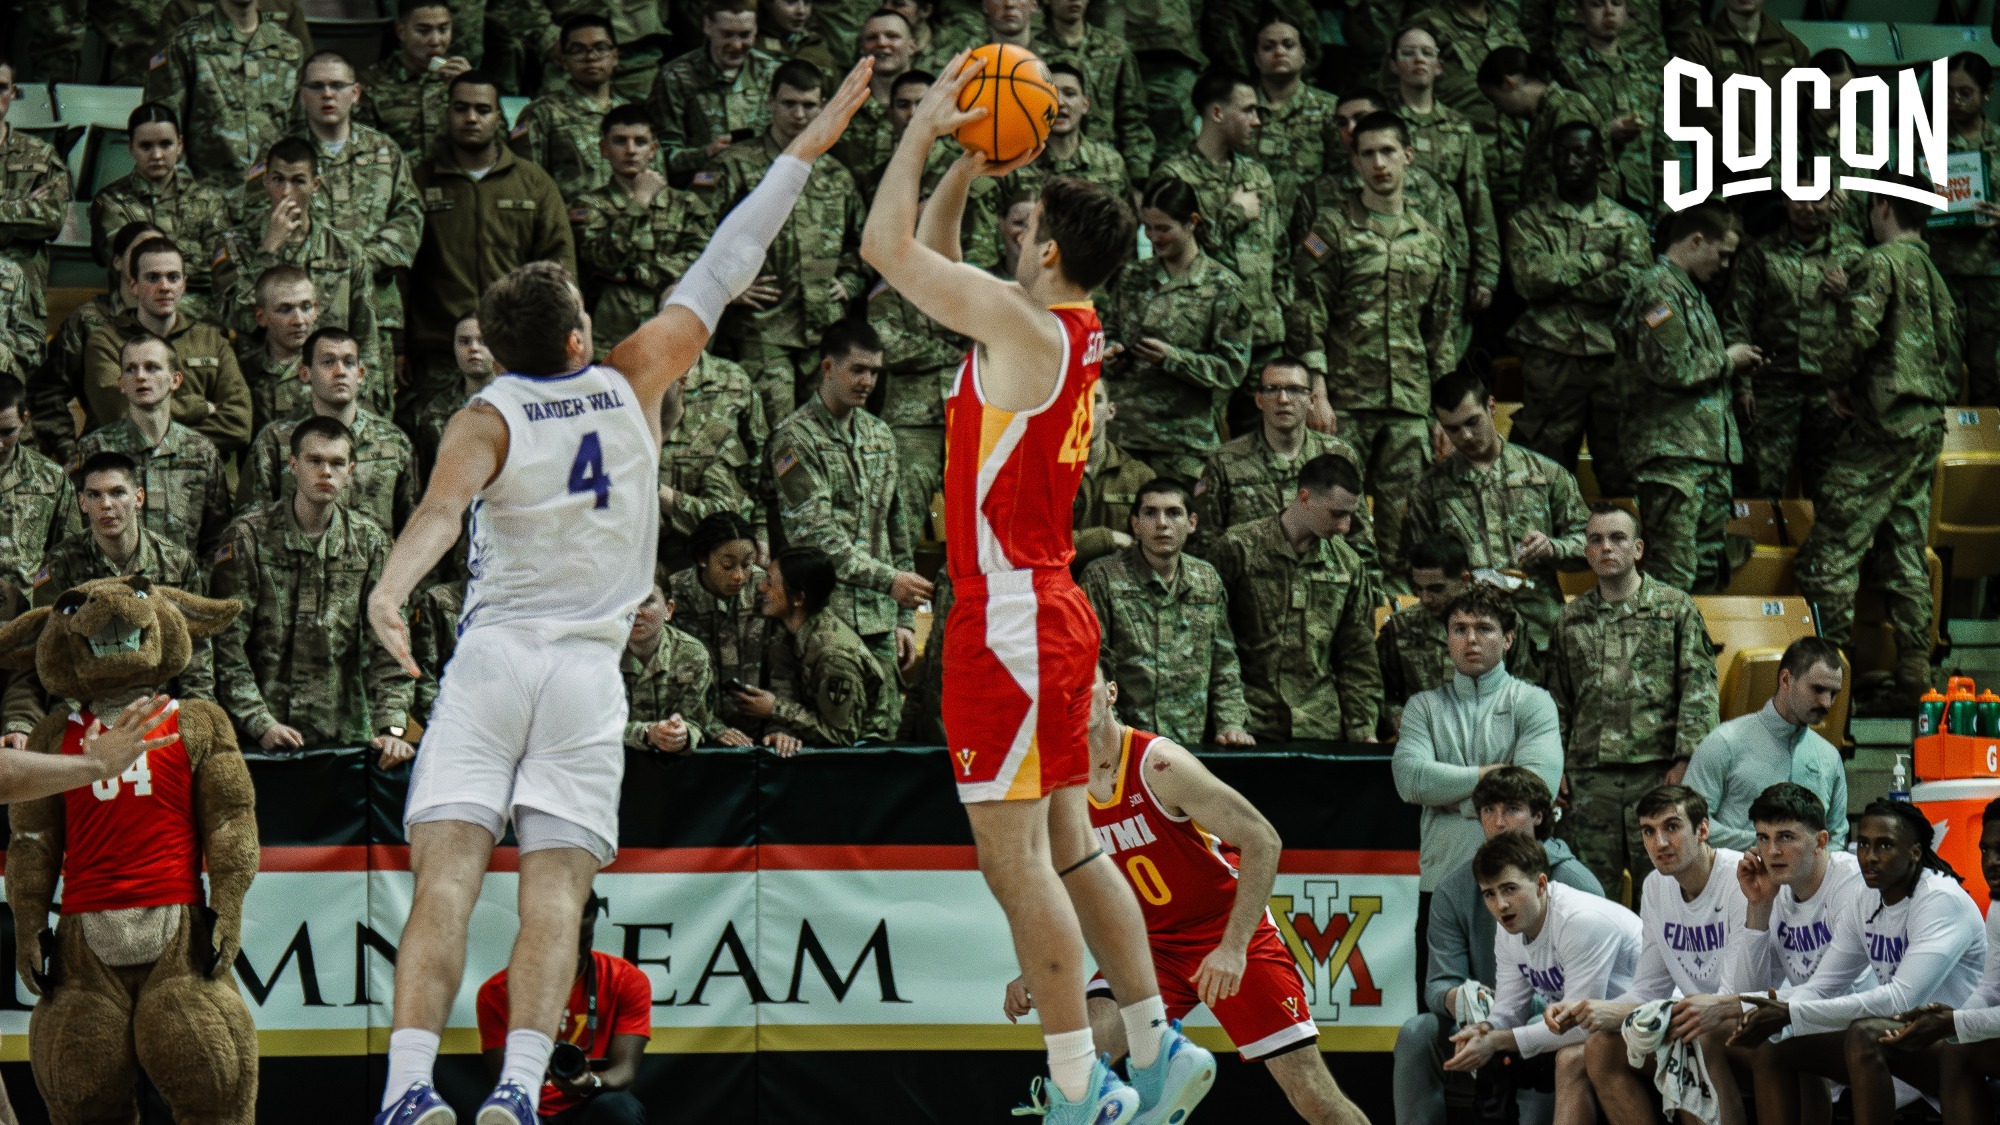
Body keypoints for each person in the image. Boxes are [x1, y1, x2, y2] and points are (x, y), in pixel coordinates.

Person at [366, 59, 873, 1124]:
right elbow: (728, 259)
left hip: (493, 660)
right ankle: (517, 1090)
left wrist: (389, 592)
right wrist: (801, 150)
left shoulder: (485, 415)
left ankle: (409, 1089)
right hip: (589, 676)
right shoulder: (633, 373)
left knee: (446, 880)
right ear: (577, 339)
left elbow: (437, 517)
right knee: (555, 892)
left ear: (501, 352)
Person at [862, 50, 1209, 1123]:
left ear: (1048, 250)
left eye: (1028, 226)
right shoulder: (1063, 323)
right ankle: (1154, 1045)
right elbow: (938, 257)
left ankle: (1077, 1084)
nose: (1014, 234)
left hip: (1008, 615)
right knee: (1073, 842)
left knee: (1015, 865)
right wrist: (972, 162)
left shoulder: (1022, 326)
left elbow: (885, 250)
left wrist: (925, 124)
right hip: (1048, 605)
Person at [1005, 667, 1368, 1124]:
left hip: (1222, 931)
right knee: (1079, 1072)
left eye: (1085, 682)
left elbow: (1262, 840)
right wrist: (1034, 967)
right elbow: (1073, 887)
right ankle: (1156, 1090)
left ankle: (1164, 1077)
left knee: (1313, 1096)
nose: (1074, 694)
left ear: (1111, 692)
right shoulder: (1062, 786)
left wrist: (1233, 947)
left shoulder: (1159, 764)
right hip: (1147, 945)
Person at [1796, 180, 1958, 704]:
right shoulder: (1933, 272)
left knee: (1829, 553)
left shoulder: (1880, 262)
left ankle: (1829, 690)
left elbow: (1857, 335)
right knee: (1904, 547)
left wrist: (1834, 381)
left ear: (1882, 206)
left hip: (1882, 428)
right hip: (1924, 424)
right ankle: (1915, 676)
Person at [1734, 801, 1988, 1125]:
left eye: (1885, 845)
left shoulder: (1940, 899)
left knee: (1863, 1034)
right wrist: (1772, 1014)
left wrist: (1793, 1012)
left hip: (1959, 1047)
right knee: (1775, 1043)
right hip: (1900, 1041)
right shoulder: (1866, 897)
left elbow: (1900, 999)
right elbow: (1823, 987)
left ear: (1914, 852)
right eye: (1864, 844)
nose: (1870, 856)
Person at [1286, 110, 1457, 583]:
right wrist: (1317, 389)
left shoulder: (1430, 239)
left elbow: (1441, 330)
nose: (1379, 163)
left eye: (1388, 152)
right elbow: (1308, 309)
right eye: (1368, 154)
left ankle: (1397, 606)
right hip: (1345, 397)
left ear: (1408, 156)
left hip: (1409, 399)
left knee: (1404, 522)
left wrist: (1442, 411)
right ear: (1355, 162)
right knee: (1339, 516)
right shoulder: (1330, 229)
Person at [1394, 766, 1602, 1125]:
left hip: (1559, 1019)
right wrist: (1466, 1001)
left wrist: (1511, 1016)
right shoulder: (1453, 888)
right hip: (1481, 1020)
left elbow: (1591, 994)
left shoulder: (1576, 882)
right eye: (1488, 810)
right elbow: (1438, 983)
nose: (1499, 822)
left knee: (1540, 1023)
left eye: (1512, 809)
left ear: (1539, 816)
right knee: (1417, 1032)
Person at [211, 415, 412, 763]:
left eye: (337, 463)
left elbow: (390, 644)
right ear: (293, 465)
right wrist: (259, 722)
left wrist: (392, 730)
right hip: (262, 739)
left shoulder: (370, 543)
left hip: (346, 738)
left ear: (351, 471)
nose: (326, 472)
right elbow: (227, 643)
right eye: (314, 461)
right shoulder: (248, 537)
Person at [1549, 785, 1747, 1123]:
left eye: (1672, 827)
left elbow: (1734, 995)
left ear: (1702, 829)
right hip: (1692, 1019)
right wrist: (1586, 1008)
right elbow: (1648, 990)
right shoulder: (1655, 885)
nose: (1660, 842)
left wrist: (1625, 1013)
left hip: (1746, 1016)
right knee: (1599, 1047)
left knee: (1691, 1036)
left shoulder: (1738, 877)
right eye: (1648, 831)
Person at [1547, 504, 1719, 893]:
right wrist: (1554, 763)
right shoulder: (1570, 619)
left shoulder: (1675, 609)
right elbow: (1557, 700)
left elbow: (1698, 687)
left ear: (1638, 548)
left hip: (1657, 773)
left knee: (1666, 889)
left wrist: (1686, 759)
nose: (1606, 547)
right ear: (1586, 552)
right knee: (1590, 896)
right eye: (1596, 540)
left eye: (1617, 538)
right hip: (1589, 781)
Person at [767, 318, 925, 733]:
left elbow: (897, 531)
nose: (867, 381)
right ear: (827, 367)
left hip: (880, 621)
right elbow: (815, 537)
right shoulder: (795, 439)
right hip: (825, 619)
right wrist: (890, 581)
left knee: (883, 739)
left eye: (874, 371)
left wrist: (904, 618)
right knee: (830, 740)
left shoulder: (880, 435)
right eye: (857, 369)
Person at [0, 452, 213, 743]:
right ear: (82, 503)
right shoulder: (62, 564)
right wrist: (48, 723)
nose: (107, 504)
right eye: (95, 495)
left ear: (139, 497)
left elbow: (196, 652)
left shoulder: (175, 563)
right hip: (87, 714)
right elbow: (51, 653)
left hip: (160, 709)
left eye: (117, 492)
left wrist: (197, 717)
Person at [406, 71, 578, 424]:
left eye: (482, 110)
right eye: (461, 108)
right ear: (447, 113)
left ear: (499, 117)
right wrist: (399, 344)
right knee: (438, 438)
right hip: (438, 350)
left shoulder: (532, 181)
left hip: (517, 347)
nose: (471, 118)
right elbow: (403, 270)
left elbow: (558, 267)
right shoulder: (420, 179)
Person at [1443, 831, 1643, 1123]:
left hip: (1652, 1016)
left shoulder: (1580, 921)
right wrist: (1484, 1029)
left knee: (1571, 1058)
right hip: (1605, 1027)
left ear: (1540, 884)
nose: (1501, 904)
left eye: (1510, 889)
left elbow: (1579, 1027)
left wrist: (1496, 1040)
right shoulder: (1510, 926)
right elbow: (1509, 1009)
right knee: (1506, 1058)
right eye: (1490, 894)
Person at [1403, 370, 1590, 680]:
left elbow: (1591, 545)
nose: (1465, 436)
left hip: (1538, 636)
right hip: (1468, 644)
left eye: (1472, 422)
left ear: (1491, 406)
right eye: (1453, 429)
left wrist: (1553, 548)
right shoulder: (1429, 491)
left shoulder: (1545, 474)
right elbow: (1416, 568)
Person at [714, 60, 869, 424]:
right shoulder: (736, 165)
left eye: (809, 105)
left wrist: (849, 282)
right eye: (789, 104)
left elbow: (862, 243)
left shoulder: (835, 175)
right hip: (763, 328)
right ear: (770, 101)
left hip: (824, 327)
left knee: (825, 431)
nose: (799, 114)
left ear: (823, 105)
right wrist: (728, 287)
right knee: (772, 428)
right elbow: (702, 236)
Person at [1615, 202, 1757, 594]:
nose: (1725, 266)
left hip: (1704, 453)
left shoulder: (1688, 292)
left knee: (1709, 568)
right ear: (1696, 240)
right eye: (1721, 254)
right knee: (1673, 572)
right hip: (1672, 457)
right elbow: (1673, 367)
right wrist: (1729, 360)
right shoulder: (1657, 290)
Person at [1503, 121, 1651, 497]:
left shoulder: (1626, 223)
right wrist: (1598, 262)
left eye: (1580, 153)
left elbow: (1635, 284)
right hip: (1550, 356)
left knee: (1622, 467)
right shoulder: (1528, 221)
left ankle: (1624, 535)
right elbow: (1529, 279)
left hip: (1612, 357)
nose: (1569, 162)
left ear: (1600, 159)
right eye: (1562, 153)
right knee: (1542, 470)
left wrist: (1564, 284)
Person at [1394, 588, 1563, 893]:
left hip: (1515, 881)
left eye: (1484, 628)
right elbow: (1410, 781)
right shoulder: (1422, 707)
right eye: (1460, 629)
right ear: (1448, 639)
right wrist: (1492, 775)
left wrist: (1448, 798)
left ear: (1508, 639)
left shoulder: (1534, 702)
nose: (1471, 639)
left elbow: (1538, 789)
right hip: (1442, 879)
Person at [1714, 783, 1864, 1125]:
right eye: (1763, 838)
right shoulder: (1774, 886)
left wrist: (1726, 1005)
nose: (1772, 851)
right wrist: (1759, 906)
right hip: (1812, 1024)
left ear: (1821, 841)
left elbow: (1835, 991)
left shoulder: (1851, 884)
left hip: (1862, 1025)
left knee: (1776, 1039)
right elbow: (1748, 991)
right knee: (1708, 1035)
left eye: (1785, 837)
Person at [1209, 453, 1380, 745]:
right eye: (1337, 514)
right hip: (1249, 723)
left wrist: (1363, 730)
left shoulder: (1348, 565)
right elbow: (1217, 642)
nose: (1345, 527)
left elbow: (1357, 655)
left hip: (1319, 725)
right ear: (1304, 497)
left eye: (1350, 515)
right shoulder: (1238, 549)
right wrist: (1230, 720)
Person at [213, 137, 387, 408]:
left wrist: (365, 402)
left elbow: (366, 339)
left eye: (298, 181)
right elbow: (235, 319)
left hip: (330, 395)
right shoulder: (236, 245)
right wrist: (267, 251)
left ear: (315, 184)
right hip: (262, 395)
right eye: (278, 180)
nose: (286, 192)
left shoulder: (345, 251)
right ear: (266, 182)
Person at [1099, 177, 1251, 484]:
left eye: (1163, 228)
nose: (1154, 237)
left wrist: (1174, 359)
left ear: (1192, 222)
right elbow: (1110, 329)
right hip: (1123, 438)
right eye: (1148, 228)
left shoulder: (1223, 287)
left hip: (1183, 444)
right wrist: (1110, 353)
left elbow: (1231, 370)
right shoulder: (1132, 276)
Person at [1080, 477, 1252, 749]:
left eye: (1173, 513)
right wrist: (1116, 736)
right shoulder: (1102, 578)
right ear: (1135, 524)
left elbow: (1224, 661)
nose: (1162, 523)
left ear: (1192, 523)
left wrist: (1230, 724)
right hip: (1124, 741)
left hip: (1190, 741)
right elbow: (1092, 665)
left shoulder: (1206, 579)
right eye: (1150, 513)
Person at [1866, 797, 2000, 1125]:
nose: (1991, 862)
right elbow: (1990, 989)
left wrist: (1955, 1022)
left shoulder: (1941, 898)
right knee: (1955, 1047)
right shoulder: (1998, 907)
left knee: (1957, 1041)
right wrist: (1953, 1020)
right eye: (1985, 850)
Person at [1717, 192, 1858, 502]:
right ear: (1786, 201)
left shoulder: (1853, 254)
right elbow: (1738, 320)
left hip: (1830, 392)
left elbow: (1870, 322)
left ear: (1831, 201)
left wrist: (1848, 295)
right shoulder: (1760, 254)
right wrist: (1742, 385)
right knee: (1759, 486)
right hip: (1773, 389)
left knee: (1832, 492)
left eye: (1817, 199)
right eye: (1799, 199)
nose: (1808, 208)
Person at [295, 50, 425, 383]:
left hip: (374, 307)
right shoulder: (285, 155)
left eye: (337, 86)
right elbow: (259, 220)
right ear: (302, 94)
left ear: (355, 93)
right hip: (303, 311)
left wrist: (366, 259)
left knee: (371, 399)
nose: (327, 94)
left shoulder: (384, 151)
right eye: (317, 86)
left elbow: (409, 214)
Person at [475, 893, 652, 1125]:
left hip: (590, 1102)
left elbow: (624, 1072)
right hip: (531, 1104)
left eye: (584, 942)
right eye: (562, 944)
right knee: (503, 1114)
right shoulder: (496, 992)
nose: (573, 954)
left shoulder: (626, 979)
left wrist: (592, 1081)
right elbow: (506, 1078)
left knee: (617, 1107)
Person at [1152, 69, 1286, 367]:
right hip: (1205, 339)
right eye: (1248, 110)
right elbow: (1176, 255)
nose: (1257, 120)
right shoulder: (1174, 176)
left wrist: (1281, 305)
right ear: (1217, 113)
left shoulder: (1257, 175)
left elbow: (1280, 250)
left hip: (1263, 333)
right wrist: (1234, 215)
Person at [81, 237, 254, 460]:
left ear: (184, 284)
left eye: (173, 277)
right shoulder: (107, 343)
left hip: (201, 473)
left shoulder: (212, 341)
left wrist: (161, 432)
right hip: (129, 471)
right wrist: (198, 407)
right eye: (153, 278)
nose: (164, 287)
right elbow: (121, 416)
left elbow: (239, 425)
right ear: (133, 285)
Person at [1192, 356, 1372, 569]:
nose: (1283, 399)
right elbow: (1205, 549)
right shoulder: (1224, 462)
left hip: (1326, 583)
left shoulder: (1339, 455)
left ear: (1312, 400)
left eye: (1295, 390)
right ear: (1259, 400)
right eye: (1272, 389)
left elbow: (1360, 540)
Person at [240, 327, 420, 533]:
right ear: (305, 373)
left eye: (349, 363)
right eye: (328, 362)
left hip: (375, 553)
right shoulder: (276, 439)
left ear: (360, 374)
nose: (340, 371)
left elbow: (414, 527)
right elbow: (251, 525)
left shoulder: (393, 442)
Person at [569, 106, 716, 358]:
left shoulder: (686, 204)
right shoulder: (588, 205)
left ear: (653, 149)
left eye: (640, 141)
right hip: (613, 333)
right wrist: (639, 201)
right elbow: (602, 260)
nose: (630, 150)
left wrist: (637, 273)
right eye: (620, 141)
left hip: (673, 326)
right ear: (604, 149)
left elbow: (702, 259)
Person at [73, 336, 234, 563]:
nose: (140, 376)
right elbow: (76, 532)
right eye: (130, 369)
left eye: (152, 367)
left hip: (182, 581)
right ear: (121, 383)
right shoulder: (96, 448)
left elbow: (217, 537)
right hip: (116, 580)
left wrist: (198, 580)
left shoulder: (200, 451)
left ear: (175, 380)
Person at [1685, 636, 1849, 852]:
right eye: (1817, 689)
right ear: (1786, 680)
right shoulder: (1725, 742)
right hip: (1736, 871)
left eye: (1833, 693)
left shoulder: (1829, 757)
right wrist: (1770, 844)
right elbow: (1691, 824)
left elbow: (1836, 838)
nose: (1826, 703)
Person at [1385, 25, 1499, 324]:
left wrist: (1486, 272)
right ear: (1393, 65)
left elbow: (1478, 200)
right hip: (1391, 253)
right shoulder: (1380, 122)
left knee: (1447, 343)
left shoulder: (1459, 127)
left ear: (1439, 66)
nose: (1418, 59)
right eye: (1408, 53)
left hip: (1450, 256)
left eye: (1427, 53)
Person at [34, 221, 165, 462]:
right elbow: (45, 395)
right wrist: (71, 454)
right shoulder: (88, 321)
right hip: (109, 463)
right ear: (117, 261)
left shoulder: (190, 323)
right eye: (142, 250)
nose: (152, 258)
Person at [733, 545, 887, 747]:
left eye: (770, 583)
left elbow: (841, 736)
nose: (761, 588)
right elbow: (787, 687)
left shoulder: (834, 657)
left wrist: (775, 709)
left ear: (798, 598)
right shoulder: (789, 630)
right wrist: (781, 730)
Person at [143, 0, 305, 187]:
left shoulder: (289, 49)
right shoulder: (185, 44)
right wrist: (184, 194)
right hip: (205, 194)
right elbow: (159, 132)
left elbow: (301, 132)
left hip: (271, 196)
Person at [87, 105, 229, 316]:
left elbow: (220, 267)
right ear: (131, 148)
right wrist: (192, 255)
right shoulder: (111, 202)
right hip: (136, 311)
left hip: (202, 312)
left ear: (180, 145)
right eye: (146, 146)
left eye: (166, 144)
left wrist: (155, 255)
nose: (156, 154)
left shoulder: (208, 199)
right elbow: (132, 267)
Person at [1402, 0, 1529, 214]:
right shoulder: (1426, 26)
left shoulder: (1506, 23)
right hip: (1461, 166)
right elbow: (1398, 94)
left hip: (1517, 161)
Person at [510, 16, 655, 203]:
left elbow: (655, 181)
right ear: (563, 60)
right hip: (569, 219)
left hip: (633, 217)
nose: (591, 57)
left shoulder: (636, 115)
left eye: (600, 48)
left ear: (615, 56)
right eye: (578, 50)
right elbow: (525, 185)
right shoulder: (541, 114)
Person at [669, 512, 778, 749]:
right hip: (695, 730)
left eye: (747, 564)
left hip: (761, 727)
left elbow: (784, 660)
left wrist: (779, 721)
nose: (739, 575)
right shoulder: (676, 594)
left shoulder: (765, 589)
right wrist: (709, 725)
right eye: (727, 566)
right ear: (703, 558)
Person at [647, 0, 780, 188]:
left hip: (765, 182)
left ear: (756, 29)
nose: (736, 45)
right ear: (707, 26)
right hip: (704, 182)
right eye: (727, 35)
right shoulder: (675, 77)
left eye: (745, 35)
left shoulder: (772, 73)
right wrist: (706, 153)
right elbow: (659, 156)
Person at [1559, 0, 1666, 219]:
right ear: (1579, 14)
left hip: (1641, 200)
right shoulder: (1565, 74)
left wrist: (1669, 206)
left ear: (1626, 13)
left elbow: (1664, 146)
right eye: (1597, 5)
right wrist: (1606, 132)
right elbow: (1557, 138)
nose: (1609, 12)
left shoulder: (1644, 76)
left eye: (1617, 4)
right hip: (1589, 203)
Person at [1935, 52, 2000, 410]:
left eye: (1965, 93)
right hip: (1943, 270)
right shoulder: (1926, 142)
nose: (1956, 101)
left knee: (1989, 373)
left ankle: (1988, 444)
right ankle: (1947, 442)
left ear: (1987, 92)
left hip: (1991, 273)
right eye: (1948, 93)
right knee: (1943, 370)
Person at [1032, 0, 1153, 185]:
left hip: (1104, 170)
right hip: (1045, 165)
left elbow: (1132, 119)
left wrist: (1138, 178)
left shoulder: (1115, 50)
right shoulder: (1032, 53)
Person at [1477, 46, 1610, 208]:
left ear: (1508, 83)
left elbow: (1577, 182)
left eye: (1494, 98)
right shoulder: (1545, 114)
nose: (1498, 108)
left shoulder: (1564, 111)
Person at [655, 369, 757, 578]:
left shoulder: (712, 436)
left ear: (682, 384)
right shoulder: (618, 427)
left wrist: (655, 490)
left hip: (691, 567)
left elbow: (723, 516)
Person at [0, 55, 73, 329]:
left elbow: (52, 218)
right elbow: (36, 217)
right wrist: (21, 207)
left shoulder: (40, 154)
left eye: (1, 88)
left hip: (20, 303)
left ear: (13, 92)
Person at [1000, 63, 1133, 205]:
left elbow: (1126, 216)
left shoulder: (1110, 162)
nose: (1059, 102)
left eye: (1069, 93)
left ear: (1085, 104)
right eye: (1050, 93)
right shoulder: (1016, 163)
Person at [1246, 14, 1337, 218]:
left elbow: (1342, 178)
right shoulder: (1240, 109)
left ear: (1303, 54)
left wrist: (1323, 233)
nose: (1279, 52)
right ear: (1256, 59)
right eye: (1268, 47)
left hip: (1311, 228)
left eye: (1288, 45)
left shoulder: (1329, 109)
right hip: (1249, 228)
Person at [1379, 534, 1472, 729]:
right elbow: (1377, 692)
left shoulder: (1500, 623)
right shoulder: (1400, 627)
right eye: (1418, 589)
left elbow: (1525, 689)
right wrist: (1397, 717)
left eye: (1435, 589)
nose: (1425, 598)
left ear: (1464, 579)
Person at [358, 0, 467, 161]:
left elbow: (495, 143)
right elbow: (360, 151)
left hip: (454, 174)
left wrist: (470, 89)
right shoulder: (371, 84)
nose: (436, 41)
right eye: (424, 31)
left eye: (443, 29)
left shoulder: (461, 77)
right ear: (401, 32)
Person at [0, 374, 77, 597]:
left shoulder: (50, 478)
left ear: (24, 418)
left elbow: (69, 553)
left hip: (29, 609)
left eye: (7, 432)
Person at [620, 585, 721, 753]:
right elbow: (593, 725)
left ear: (669, 609)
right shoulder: (602, 655)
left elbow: (701, 721)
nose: (636, 612)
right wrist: (646, 733)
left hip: (676, 762)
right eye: (627, 602)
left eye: (647, 601)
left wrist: (684, 733)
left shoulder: (691, 654)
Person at [1072, 378, 1155, 571]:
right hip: (1060, 582)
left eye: (1095, 400)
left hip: (1122, 581)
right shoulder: (1045, 475)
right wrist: (1107, 539)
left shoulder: (1139, 476)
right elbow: (1035, 542)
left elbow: (1155, 541)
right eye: (1077, 400)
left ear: (1111, 411)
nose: (1086, 408)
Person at [241, 265, 320, 435]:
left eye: (306, 307)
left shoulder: (334, 368)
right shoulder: (244, 371)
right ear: (261, 317)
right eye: (285, 310)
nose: (299, 320)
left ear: (316, 310)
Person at [413, 311, 497, 470]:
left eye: (483, 341)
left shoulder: (518, 403)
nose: (473, 348)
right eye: (464, 342)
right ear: (454, 347)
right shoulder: (435, 412)